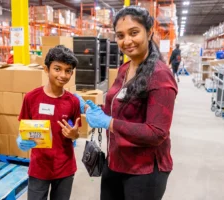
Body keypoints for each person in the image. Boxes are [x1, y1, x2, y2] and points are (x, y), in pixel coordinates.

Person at [75, 6, 178, 200]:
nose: (127, 41)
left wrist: (109, 123)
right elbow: (118, 106)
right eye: (120, 35)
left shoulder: (160, 75)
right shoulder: (125, 68)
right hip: (115, 162)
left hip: (143, 171)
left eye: (134, 33)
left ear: (149, 32)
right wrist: (93, 108)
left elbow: (156, 132)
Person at [17, 45, 81, 200]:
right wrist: (21, 140)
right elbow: (23, 127)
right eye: (57, 69)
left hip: (64, 167)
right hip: (40, 167)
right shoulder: (31, 98)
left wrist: (74, 135)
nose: (63, 75)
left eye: (68, 71)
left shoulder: (73, 101)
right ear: (46, 69)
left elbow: (76, 131)